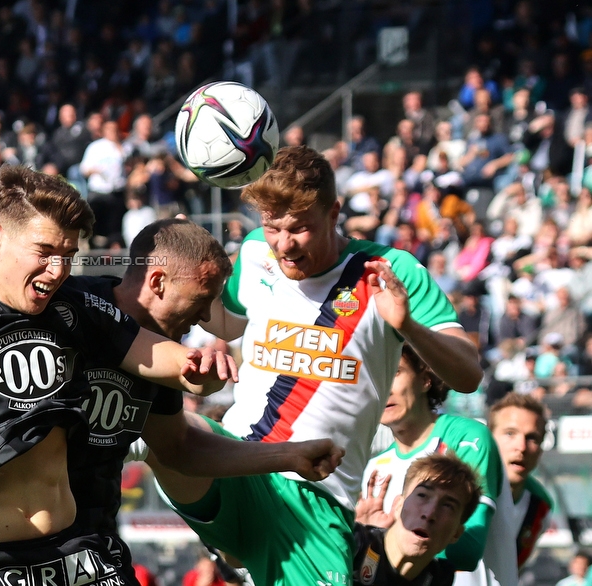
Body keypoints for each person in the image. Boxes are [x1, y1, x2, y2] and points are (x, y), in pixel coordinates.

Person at [0, 167, 237, 586]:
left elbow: (169, 362)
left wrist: (203, 372)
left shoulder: (74, 306)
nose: (57, 270)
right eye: (45, 251)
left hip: (79, 555)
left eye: (68, 255)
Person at [159, 146, 482, 586]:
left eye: (299, 229)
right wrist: (192, 279)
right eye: (272, 227)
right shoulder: (256, 253)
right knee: (169, 432)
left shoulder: (389, 268)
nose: (284, 245)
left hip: (316, 494)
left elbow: (468, 373)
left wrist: (408, 325)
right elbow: (225, 322)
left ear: (334, 212)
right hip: (238, 459)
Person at [66, 218, 343, 575]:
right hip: (13, 542)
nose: (204, 318)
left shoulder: (169, 354)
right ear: (157, 281)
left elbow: (180, 449)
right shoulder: (70, 306)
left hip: (92, 542)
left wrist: (290, 456)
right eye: (201, 301)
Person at [361, 345, 513, 586]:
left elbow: (468, 550)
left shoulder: (467, 437)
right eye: (375, 378)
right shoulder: (374, 469)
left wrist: (384, 539)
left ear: (425, 378)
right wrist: (365, 539)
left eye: (395, 372)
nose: (384, 387)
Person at [353, 455, 482, 586]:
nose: (429, 513)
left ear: (456, 534)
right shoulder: (354, 545)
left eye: (448, 506)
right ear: (398, 506)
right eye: (422, 495)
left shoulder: (439, 577)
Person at [488, 393, 554, 576]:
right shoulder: (461, 489)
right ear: (489, 438)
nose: (522, 447)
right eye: (510, 433)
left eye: (532, 438)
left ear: (541, 448)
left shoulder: (540, 506)